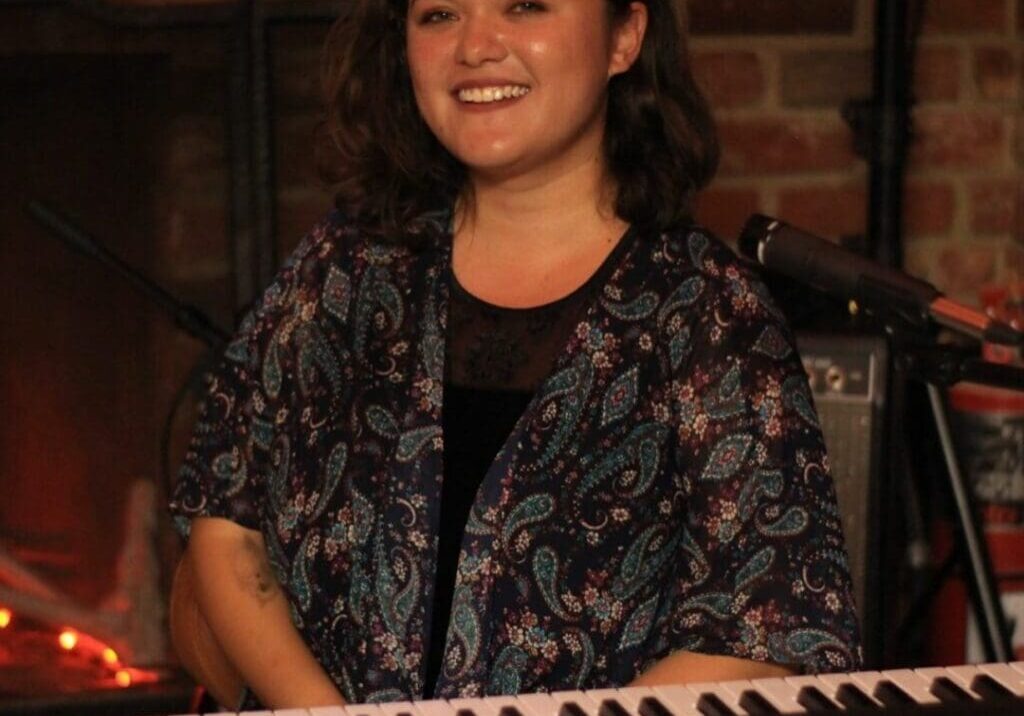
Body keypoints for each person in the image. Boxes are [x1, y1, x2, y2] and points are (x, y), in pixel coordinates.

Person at [168, 0, 862, 709]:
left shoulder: (706, 310)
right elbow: (226, 524)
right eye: (438, 15)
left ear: (624, 37)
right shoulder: (346, 266)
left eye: (525, 5)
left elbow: (768, 634)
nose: (476, 46)